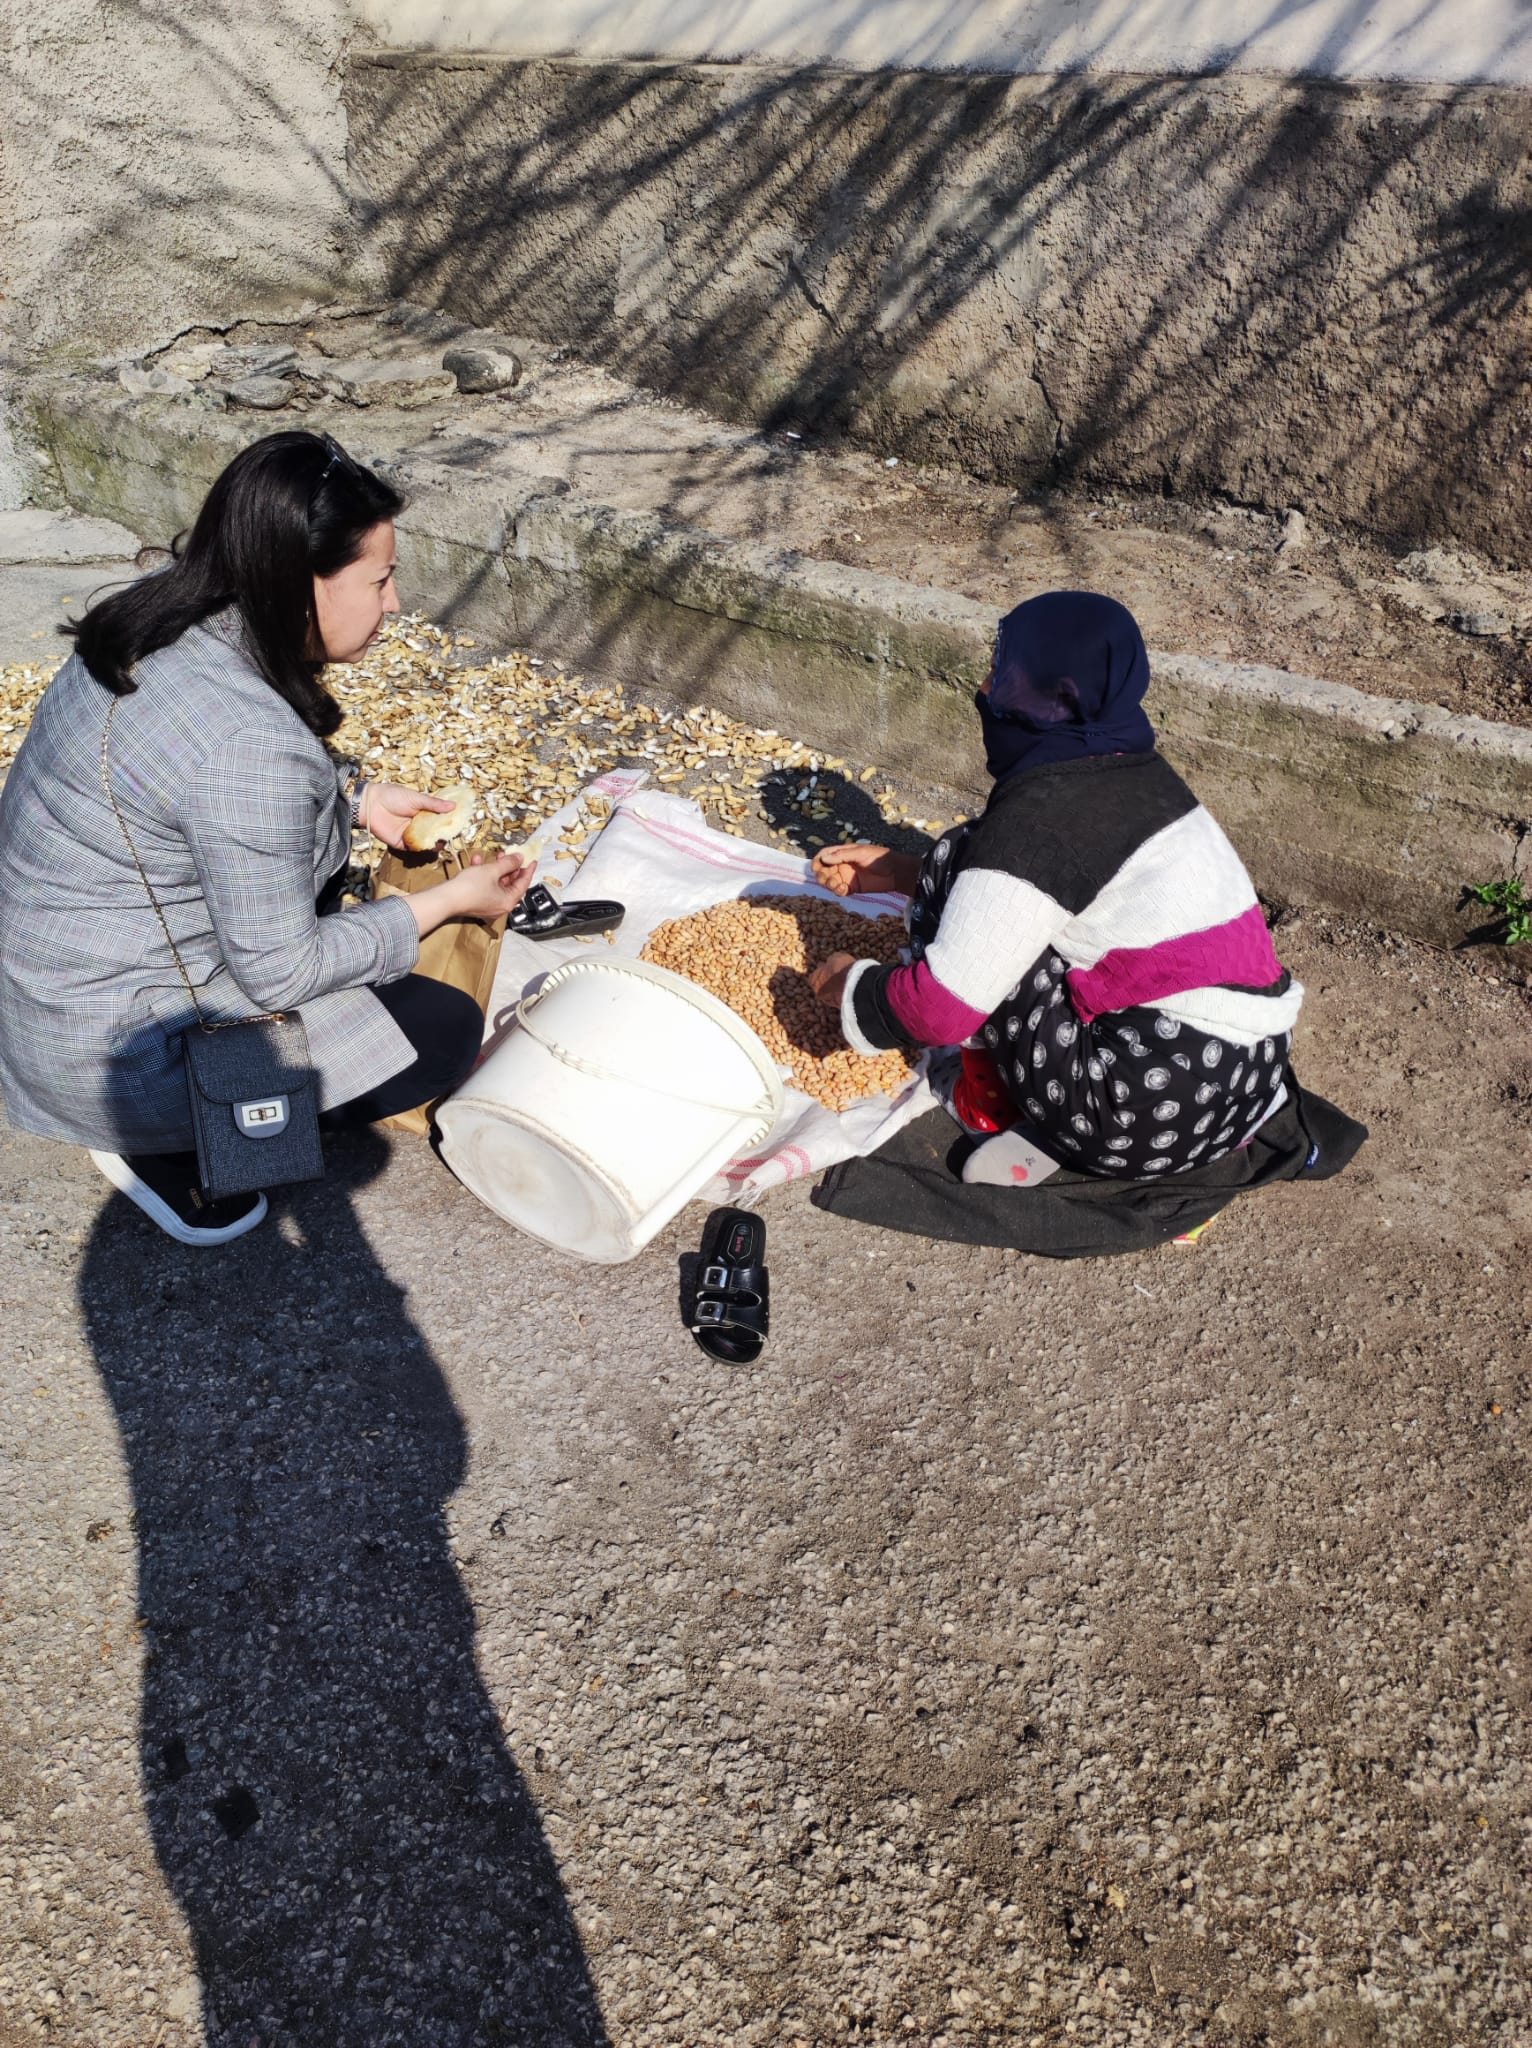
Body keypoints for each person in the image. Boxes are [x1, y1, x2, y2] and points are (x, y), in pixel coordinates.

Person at [0, 431, 535, 1247]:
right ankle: (169, 1145)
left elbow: (185, 781)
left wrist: (358, 797)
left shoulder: (153, 616)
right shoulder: (251, 749)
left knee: (321, 903)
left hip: (42, 986)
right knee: (442, 1027)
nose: (394, 604)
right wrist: (453, 901)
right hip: (112, 1055)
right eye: (381, 580)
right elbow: (283, 967)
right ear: (298, 583)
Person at [806, 590, 1365, 1253]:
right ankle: (1098, 1122)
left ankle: (990, 1105)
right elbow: (1033, 876)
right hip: (1247, 1083)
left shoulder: (1033, 828)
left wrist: (851, 987)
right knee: (975, 871)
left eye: (1007, 674)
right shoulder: (1145, 780)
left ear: (1059, 698)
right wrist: (902, 871)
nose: (987, 686)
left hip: (1137, 1119)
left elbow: (939, 1011)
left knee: (986, 918)